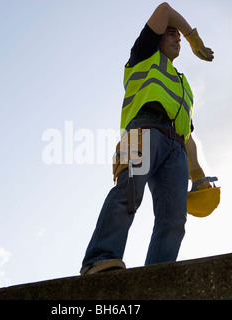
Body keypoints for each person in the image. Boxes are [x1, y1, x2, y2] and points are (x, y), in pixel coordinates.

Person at [80, 2, 214, 275]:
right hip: (141, 132)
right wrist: (192, 37)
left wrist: (198, 176)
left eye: (179, 35)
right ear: (157, 38)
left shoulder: (183, 84)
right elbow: (164, 9)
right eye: (171, 34)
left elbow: (187, 134)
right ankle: (99, 260)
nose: (177, 37)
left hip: (175, 147)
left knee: (174, 218)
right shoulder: (143, 55)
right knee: (128, 195)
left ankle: (157, 275)